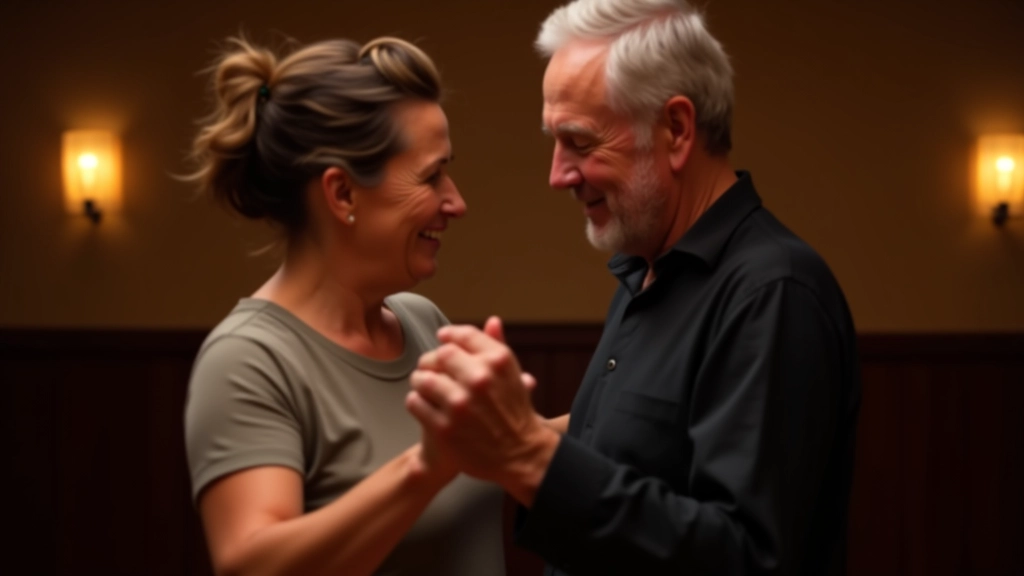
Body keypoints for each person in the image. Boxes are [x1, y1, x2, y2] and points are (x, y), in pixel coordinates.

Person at [405, 0, 861, 574]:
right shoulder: (649, 270)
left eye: (580, 142)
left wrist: (530, 454)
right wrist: (500, 434)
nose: (557, 175)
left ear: (675, 129)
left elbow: (746, 559)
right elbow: (637, 457)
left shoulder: (773, 294)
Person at [182, 35, 505, 576]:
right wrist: (424, 468)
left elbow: (510, 445)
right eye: (431, 176)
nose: (456, 202)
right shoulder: (248, 361)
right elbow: (252, 564)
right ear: (343, 194)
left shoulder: (422, 324)